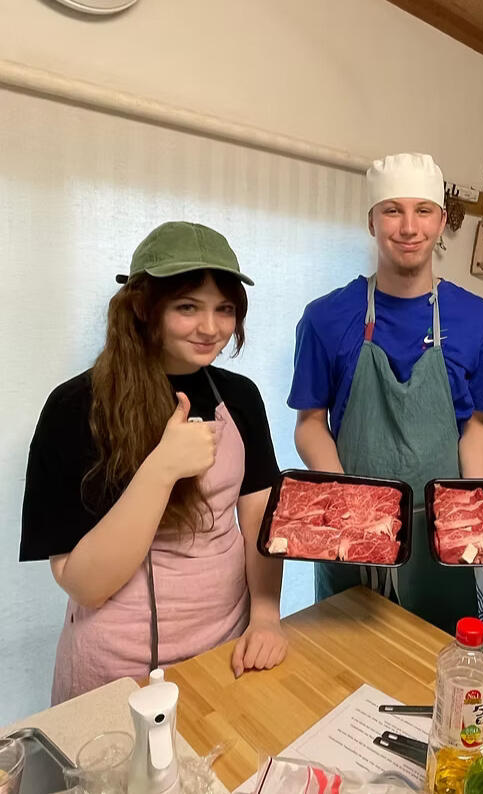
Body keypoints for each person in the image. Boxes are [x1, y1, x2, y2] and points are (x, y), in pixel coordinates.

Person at [20, 221, 287, 703]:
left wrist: (266, 616)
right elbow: (85, 586)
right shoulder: (75, 408)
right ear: (144, 306)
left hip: (227, 650)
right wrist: (161, 469)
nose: (211, 328)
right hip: (116, 672)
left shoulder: (240, 398)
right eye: (188, 307)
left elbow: (260, 524)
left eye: (224, 309)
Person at [287, 153, 483, 635]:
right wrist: (349, 504)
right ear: (371, 221)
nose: (408, 227)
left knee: (436, 660)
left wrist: (475, 512)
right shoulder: (325, 318)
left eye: (423, 211)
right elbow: (309, 425)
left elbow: (476, 428)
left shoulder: (480, 320)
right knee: (344, 663)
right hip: (351, 534)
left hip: (440, 540)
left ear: (441, 221)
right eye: (392, 210)